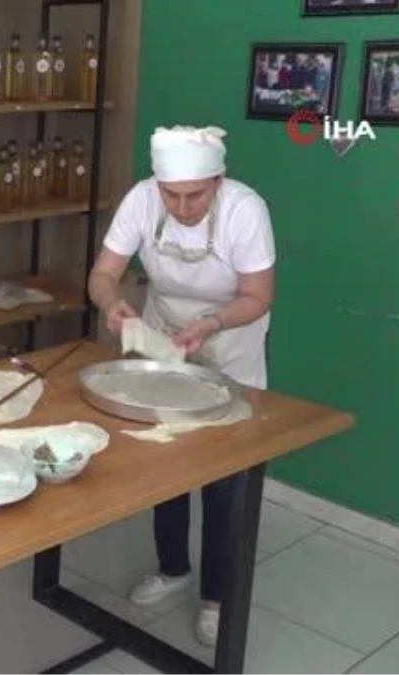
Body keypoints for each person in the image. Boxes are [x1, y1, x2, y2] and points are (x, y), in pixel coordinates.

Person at [86, 125, 276, 646]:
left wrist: (211, 324)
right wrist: (111, 303)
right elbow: (102, 274)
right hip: (166, 338)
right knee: (165, 458)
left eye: (195, 195)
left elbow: (258, 295)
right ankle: (173, 570)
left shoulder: (245, 210)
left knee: (223, 480)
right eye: (172, 194)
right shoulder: (142, 201)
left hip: (230, 341)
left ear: (218, 180)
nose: (183, 206)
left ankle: (217, 595)